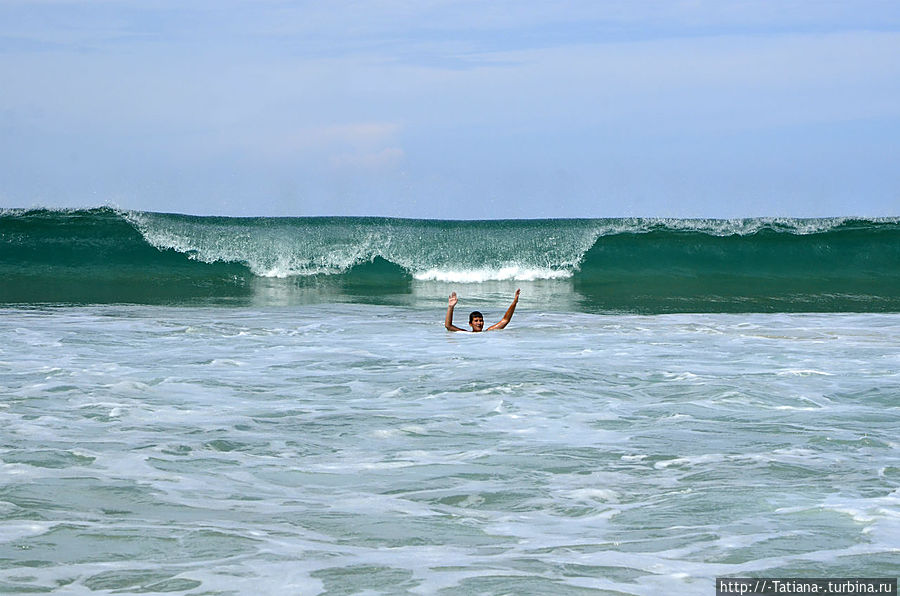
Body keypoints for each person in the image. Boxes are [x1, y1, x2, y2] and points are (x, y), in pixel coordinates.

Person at [445, 289, 520, 332]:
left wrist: (514, 303)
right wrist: (451, 307)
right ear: (470, 324)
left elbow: (505, 320)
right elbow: (448, 326)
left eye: (481, 320)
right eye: (476, 321)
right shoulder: (466, 334)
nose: (479, 323)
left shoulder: (488, 332)